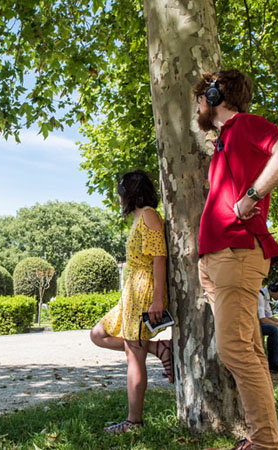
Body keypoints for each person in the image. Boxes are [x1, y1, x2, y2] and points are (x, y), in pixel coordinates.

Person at [194, 69, 278, 450]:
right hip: (218, 258)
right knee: (249, 349)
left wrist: (252, 195)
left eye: (200, 98)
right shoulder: (225, 141)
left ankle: (264, 443)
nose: (197, 107)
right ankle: (264, 438)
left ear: (212, 97)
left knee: (234, 349)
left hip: (236, 252)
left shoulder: (243, 125)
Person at [89, 170, 174, 434]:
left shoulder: (148, 214)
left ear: (130, 193)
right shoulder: (140, 217)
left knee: (133, 356)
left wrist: (158, 297)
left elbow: (159, 257)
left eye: (120, 193)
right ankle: (160, 350)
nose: (118, 199)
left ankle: (133, 421)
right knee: (98, 334)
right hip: (131, 294)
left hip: (145, 291)